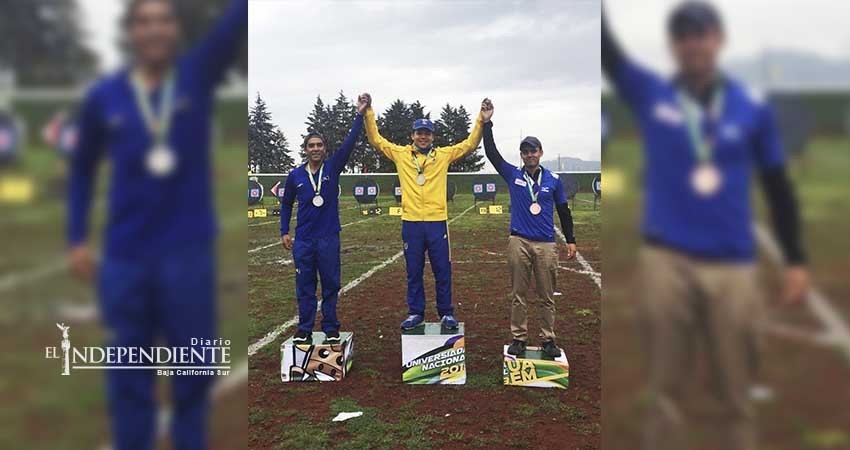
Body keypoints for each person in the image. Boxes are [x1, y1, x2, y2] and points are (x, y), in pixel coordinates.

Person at [602, 2, 809, 450]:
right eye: (682, 35)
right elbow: (609, 51)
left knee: (737, 394)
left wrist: (794, 259)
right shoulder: (650, 91)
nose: (692, 42)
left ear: (717, 39)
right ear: (673, 46)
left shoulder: (751, 107)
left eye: (701, 33)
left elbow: (777, 186)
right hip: (666, 261)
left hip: (732, 265)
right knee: (664, 392)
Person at [66, 0, 247, 449]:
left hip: (188, 257)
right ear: (131, 31)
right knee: (128, 378)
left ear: (176, 29)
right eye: (144, 21)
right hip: (125, 260)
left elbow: (234, 22)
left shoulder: (196, 73)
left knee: (192, 373)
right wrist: (76, 236)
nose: (155, 30)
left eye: (164, 20)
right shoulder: (104, 96)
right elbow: (82, 168)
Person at [360, 92, 490, 330]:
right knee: (414, 271)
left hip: (437, 222)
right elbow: (376, 140)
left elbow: (470, 145)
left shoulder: (442, 156)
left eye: (427, 133)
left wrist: (481, 120)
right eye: (419, 133)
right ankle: (416, 312)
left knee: (442, 269)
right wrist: (368, 112)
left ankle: (446, 312)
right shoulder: (401, 154)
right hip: (411, 222)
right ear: (412, 135)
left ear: (432, 136)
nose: (423, 137)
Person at [481, 99, 577, 358]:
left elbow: (563, 211)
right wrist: (487, 122)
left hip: (546, 243)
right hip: (519, 242)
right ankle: (519, 338)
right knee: (518, 294)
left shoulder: (553, 180)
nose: (529, 155)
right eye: (525, 151)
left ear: (541, 152)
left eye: (533, 150)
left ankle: (548, 340)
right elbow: (492, 154)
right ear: (521, 155)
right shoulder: (513, 175)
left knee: (546, 295)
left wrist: (570, 239)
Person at [280, 96, 368, 344]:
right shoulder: (295, 175)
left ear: (325, 149)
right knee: (305, 286)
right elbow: (286, 204)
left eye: (320, 145)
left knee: (330, 284)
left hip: (329, 237)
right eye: (311, 145)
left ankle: (330, 326)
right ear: (305, 149)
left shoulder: (332, 168)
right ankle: (305, 328)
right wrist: (284, 230)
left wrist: (359, 115)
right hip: (304, 241)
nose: (316, 149)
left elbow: (349, 144)